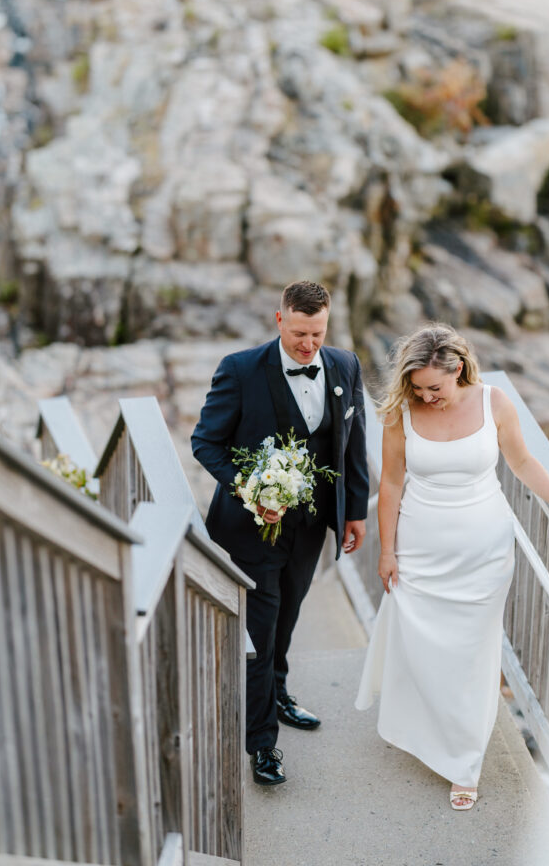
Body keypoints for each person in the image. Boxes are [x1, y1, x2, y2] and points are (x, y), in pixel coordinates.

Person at [355, 324, 549, 810]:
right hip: (420, 549)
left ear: (459, 370)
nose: (426, 397)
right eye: (418, 388)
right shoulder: (402, 412)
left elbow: (523, 463)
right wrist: (387, 551)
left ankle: (464, 764)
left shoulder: (495, 403)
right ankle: (425, 733)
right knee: (423, 646)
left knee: (472, 654)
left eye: (435, 388)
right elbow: (391, 484)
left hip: (483, 552)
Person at [192, 281, 369, 786]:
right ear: (279, 320)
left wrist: (354, 511)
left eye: (317, 334)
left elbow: (352, 443)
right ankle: (262, 745)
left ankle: (279, 691)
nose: (309, 345)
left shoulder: (345, 364)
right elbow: (205, 443)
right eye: (299, 334)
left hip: (311, 527)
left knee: (289, 613)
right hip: (252, 532)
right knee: (261, 628)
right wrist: (251, 491)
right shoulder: (239, 369)